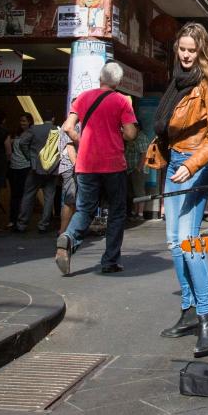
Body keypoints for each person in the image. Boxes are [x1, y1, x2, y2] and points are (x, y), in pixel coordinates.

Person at [146, 23, 208, 353]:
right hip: (175, 162)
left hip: (195, 162)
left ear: (202, 51)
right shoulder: (177, 82)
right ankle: (190, 310)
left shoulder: (207, 83)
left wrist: (192, 166)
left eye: (192, 50)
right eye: (182, 49)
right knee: (173, 243)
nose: (185, 55)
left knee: (188, 242)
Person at [56, 63, 138, 275]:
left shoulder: (83, 97)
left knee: (85, 209)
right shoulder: (121, 101)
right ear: (118, 82)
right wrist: (117, 132)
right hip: (112, 164)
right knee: (117, 212)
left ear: (99, 78)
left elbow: (67, 127)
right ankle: (110, 261)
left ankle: (69, 237)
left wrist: (81, 140)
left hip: (86, 164)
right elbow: (130, 134)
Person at [15, 111, 59, 234]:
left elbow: (22, 143)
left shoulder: (34, 129)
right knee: (49, 197)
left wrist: (30, 157)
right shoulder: (58, 130)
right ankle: (43, 225)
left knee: (28, 194)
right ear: (53, 118)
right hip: (52, 169)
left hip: (36, 168)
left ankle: (22, 224)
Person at [7, 112, 34, 228]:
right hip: (13, 166)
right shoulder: (15, 134)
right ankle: (13, 219)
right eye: (21, 121)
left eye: (24, 121)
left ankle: (21, 220)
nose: (22, 123)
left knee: (24, 194)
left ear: (30, 122)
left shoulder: (32, 134)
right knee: (15, 194)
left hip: (26, 167)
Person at [58, 121, 79, 235]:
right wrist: (77, 166)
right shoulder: (74, 124)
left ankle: (68, 230)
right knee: (70, 201)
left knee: (72, 200)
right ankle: (63, 231)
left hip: (70, 167)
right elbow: (70, 146)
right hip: (71, 167)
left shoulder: (70, 123)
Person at [125, 121, 149, 220]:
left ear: (137, 127)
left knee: (139, 191)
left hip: (137, 169)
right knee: (133, 192)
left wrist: (138, 168)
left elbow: (144, 154)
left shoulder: (141, 137)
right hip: (130, 169)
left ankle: (140, 214)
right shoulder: (132, 137)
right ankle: (135, 212)